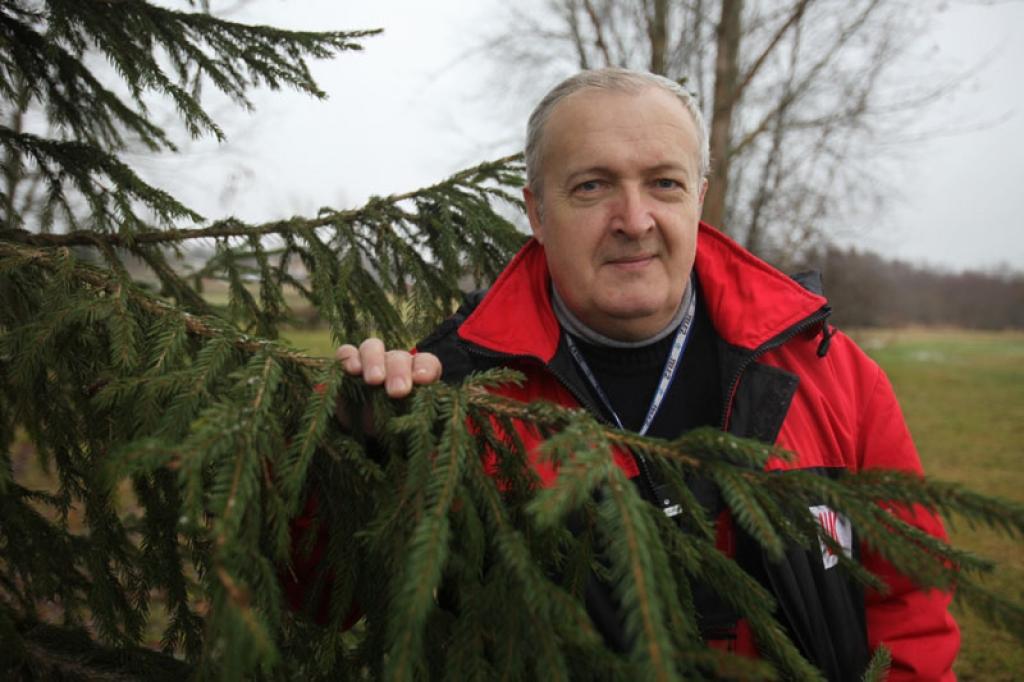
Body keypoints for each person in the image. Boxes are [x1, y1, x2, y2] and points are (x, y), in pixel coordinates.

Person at [326, 68, 960, 680]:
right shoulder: (449, 392)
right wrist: (347, 449)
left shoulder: (831, 373)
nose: (634, 220)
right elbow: (321, 595)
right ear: (537, 212)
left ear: (699, 198)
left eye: (664, 183)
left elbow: (912, 606)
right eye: (592, 187)